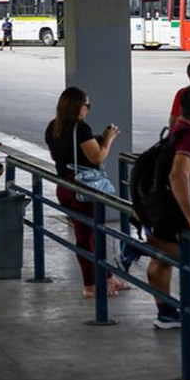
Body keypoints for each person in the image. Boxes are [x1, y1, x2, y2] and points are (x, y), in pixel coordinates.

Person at [44, 87, 128, 298]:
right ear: (77, 106)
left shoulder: (53, 127)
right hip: (83, 190)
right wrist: (108, 139)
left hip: (64, 186)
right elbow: (97, 158)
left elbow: (61, 155)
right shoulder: (81, 128)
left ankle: (108, 277)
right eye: (86, 105)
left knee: (89, 235)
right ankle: (91, 285)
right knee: (87, 238)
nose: (88, 109)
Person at [144, 86, 190, 323]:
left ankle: (166, 313)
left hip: (162, 214)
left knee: (160, 259)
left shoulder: (174, 132)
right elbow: (179, 175)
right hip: (179, 218)